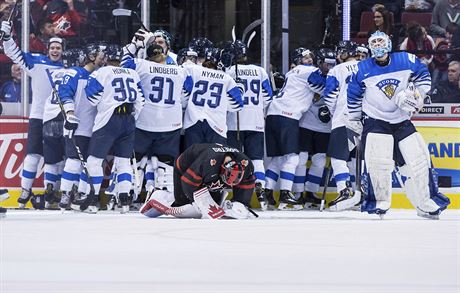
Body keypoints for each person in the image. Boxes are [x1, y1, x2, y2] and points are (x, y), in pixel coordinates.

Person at [347, 31, 450, 219]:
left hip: (401, 120)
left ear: (388, 43)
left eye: (381, 41)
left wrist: (417, 95)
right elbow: (353, 94)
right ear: (370, 46)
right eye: (374, 42)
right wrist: (354, 119)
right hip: (375, 121)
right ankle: (378, 203)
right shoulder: (361, 69)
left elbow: (423, 76)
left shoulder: (406, 60)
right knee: (378, 164)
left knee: (418, 161)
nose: (378, 45)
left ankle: (425, 202)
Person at [71, 45, 145, 213]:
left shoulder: (101, 73)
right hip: (128, 119)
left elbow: (93, 98)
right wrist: (132, 117)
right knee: (123, 161)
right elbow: (141, 100)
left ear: (106, 58)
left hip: (108, 120)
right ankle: (124, 200)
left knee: (94, 160)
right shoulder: (133, 73)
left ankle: (93, 199)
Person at [121, 30, 192, 201]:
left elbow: (124, 65)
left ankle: (128, 194)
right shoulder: (180, 71)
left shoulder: (141, 64)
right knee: (165, 164)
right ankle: (166, 195)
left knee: (135, 162)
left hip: (144, 122)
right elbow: (187, 92)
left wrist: (133, 45)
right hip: (170, 123)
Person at [1, 20, 64, 209]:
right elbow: (14, 54)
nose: (54, 50)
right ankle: (25, 191)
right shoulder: (37, 63)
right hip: (38, 116)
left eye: (58, 48)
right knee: (32, 156)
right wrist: (7, 37)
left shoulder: (68, 68)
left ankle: (51, 192)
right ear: (48, 49)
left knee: (55, 160)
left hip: (58, 118)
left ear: (62, 50)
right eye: (52, 47)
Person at [263, 47, 327, 209]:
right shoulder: (309, 71)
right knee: (293, 158)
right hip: (288, 115)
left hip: (272, 114)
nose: (309, 60)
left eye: (310, 57)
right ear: (299, 61)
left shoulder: (291, 73)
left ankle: (267, 192)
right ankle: (285, 194)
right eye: (305, 58)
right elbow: (325, 86)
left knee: (278, 159)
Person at [140, 143, 256, 219]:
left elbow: (247, 183)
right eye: (228, 179)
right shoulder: (208, 162)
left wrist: (241, 203)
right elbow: (188, 181)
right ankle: (158, 194)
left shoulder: (246, 164)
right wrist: (198, 203)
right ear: (222, 169)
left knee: (214, 206)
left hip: (209, 172)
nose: (230, 184)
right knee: (186, 206)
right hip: (186, 167)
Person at [222, 40, 273, 210]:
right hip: (256, 122)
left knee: (234, 159)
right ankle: (260, 186)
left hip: (233, 123)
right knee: (256, 159)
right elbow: (268, 97)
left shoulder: (228, 71)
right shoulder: (260, 71)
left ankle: (231, 192)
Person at [57, 43, 107, 210]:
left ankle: (82, 195)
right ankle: (65, 193)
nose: (104, 59)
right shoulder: (75, 73)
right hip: (77, 126)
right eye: (101, 56)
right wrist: (70, 114)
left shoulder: (104, 75)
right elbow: (64, 93)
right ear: (92, 56)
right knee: (74, 161)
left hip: (97, 128)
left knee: (92, 163)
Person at [292, 47, 335, 210]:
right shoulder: (310, 74)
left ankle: (311, 193)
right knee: (301, 159)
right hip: (306, 123)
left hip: (325, 127)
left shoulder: (336, 76)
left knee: (319, 161)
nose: (328, 67)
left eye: (332, 64)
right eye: (326, 63)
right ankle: (297, 193)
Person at [182, 47, 244, 149]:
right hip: (216, 126)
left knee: (193, 161)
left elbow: (185, 90)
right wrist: (240, 88)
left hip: (193, 123)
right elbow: (237, 105)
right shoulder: (226, 78)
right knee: (215, 162)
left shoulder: (193, 70)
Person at [323, 41, 360, 210]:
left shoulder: (336, 70)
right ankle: (363, 193)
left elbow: (329, 96)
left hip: (344, 118)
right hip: (365, 119)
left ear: (345, 53)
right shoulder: (367, 66)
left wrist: (334, 112)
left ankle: (344, 191)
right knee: (358, 159)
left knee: (339, 157)